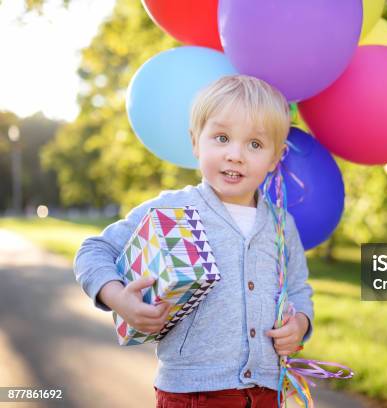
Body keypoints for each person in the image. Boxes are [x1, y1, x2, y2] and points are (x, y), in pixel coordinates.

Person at [73, 75, 314, 407]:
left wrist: (299, 324)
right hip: (192, 393)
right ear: (195, 142)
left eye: (255, 144)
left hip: (267, 392)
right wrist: (118, 299)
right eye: (221, 138)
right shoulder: (173, 208)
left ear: (276, 157)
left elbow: (299, 288)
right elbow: (93, 250)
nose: (235, 155)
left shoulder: (281, 225)